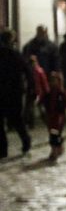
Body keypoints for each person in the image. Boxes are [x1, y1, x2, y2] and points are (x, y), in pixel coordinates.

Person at [0, 29, 32, 158]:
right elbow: (28, 71)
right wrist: (30, 87)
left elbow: (27, 71)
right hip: (14, 92)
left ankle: (3, 150)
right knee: (16, 120)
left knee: (4, 121)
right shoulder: (16, 55)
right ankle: (26, 141)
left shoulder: (14, 55)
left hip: (6, 91)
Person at [41, 71, 66, 163]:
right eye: (51, 80)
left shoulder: (62, 93)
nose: (52, 82)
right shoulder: (49, 93)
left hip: (59, 118)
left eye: (54, 80)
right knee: (54, 134)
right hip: (50, 117)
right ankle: (59, 147)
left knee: (55, 134)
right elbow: (43, 101)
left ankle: (55, 151)